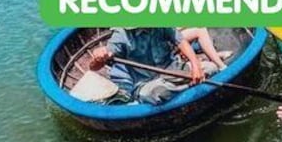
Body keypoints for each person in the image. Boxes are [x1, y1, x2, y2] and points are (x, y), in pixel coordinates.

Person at [88, 28, 217, 105]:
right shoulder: (122, 35)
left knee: (211, 68)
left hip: (173, 70)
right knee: (159, 92)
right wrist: (99, 57)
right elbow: (94, 67)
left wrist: (195, 66)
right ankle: (188, 85)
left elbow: (181, 41)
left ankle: (184, 84)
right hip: (147, 84)